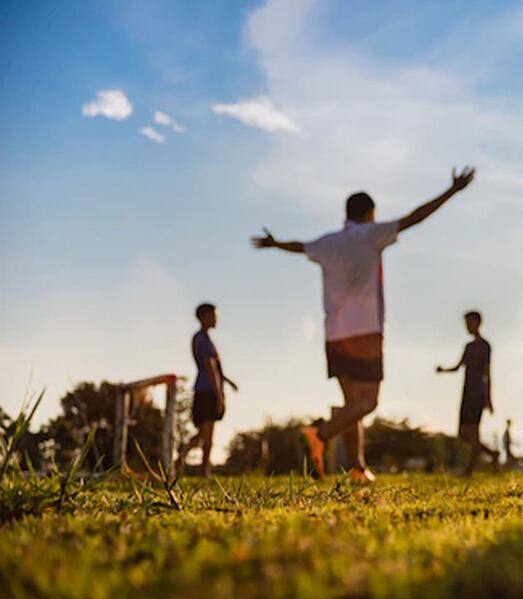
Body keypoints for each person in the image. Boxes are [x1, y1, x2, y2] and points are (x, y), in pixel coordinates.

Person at [251, 167, 477, 482]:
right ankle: (319, 435)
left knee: (351, 404)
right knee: (367, 402)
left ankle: (357, 467)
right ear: (370, 214)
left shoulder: (328, 242)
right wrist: (451, 191)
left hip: (334, 333)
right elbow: (414, 218)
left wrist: (275, 244)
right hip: (366, 331)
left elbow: (300, 246)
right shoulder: (371, 235)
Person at [436, 310, 500, 476]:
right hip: (466, 392)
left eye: (469, 323)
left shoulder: (485, 346)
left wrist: (489, 398)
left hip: (477, 393)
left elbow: (487, 373)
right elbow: (458, 367)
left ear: (478, 323)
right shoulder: (468, 346)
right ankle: (492, 454)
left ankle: (468, 471)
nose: (467, 327)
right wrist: (443, 370)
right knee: (464, 435)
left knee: (473, 432)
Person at [179, 303, 238, 477]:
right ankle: (205, 471)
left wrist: (227, 381)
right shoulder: (202, 339)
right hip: (207, 390)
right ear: (203, 317)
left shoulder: (203, 339)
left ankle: (181, 456)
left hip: (207, 388)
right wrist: (219, 396)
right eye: (213, 315)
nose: (216, 318)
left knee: (203, 434)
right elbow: (209, 367)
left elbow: (215, 369)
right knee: (208, 435)